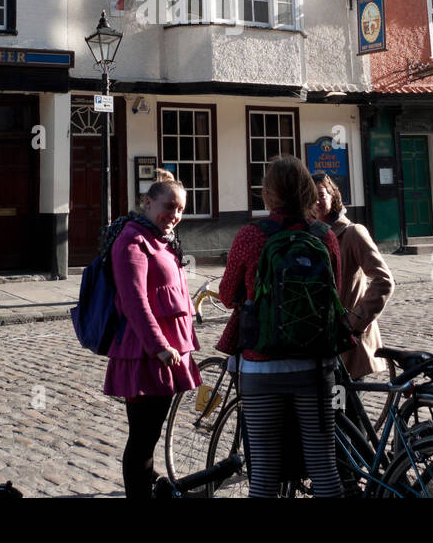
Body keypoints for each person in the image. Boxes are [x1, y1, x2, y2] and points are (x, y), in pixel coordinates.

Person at [217, 155, 343, 498]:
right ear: (307, 190)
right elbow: (336, 295)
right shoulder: (325, 235)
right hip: (316, 367)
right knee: (324, 466)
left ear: (267, 192)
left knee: (264, 473)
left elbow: (228, 295)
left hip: (261, 365)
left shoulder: (249, 235)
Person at [103, 177, 201, 498]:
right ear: (148, 203)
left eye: (181, 209)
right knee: (143, 439)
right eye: (169, 206)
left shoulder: (161, 239)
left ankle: (149, 486)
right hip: (144, 355)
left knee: (149, 435)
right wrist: (159, 345)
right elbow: (134, 300)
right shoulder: (133, 241)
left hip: (165, 354)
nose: (174, 215)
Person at [315, 174, 394, 380]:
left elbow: (384, 281)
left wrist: (353, 321)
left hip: (349, 344)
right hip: (321, 344)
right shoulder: (310, 237)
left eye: (321, 195)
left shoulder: (353, 233)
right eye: (309, 197)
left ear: (332, 196)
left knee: (344, 406)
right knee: (329, 409)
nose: (315, 201)